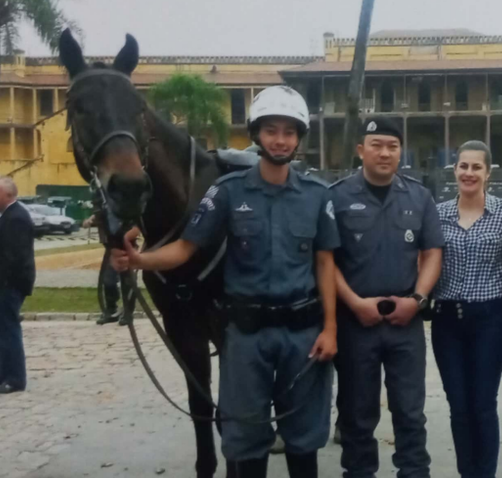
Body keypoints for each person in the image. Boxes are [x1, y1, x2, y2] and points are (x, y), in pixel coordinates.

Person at [111, 86, 339, 477]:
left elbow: (325, 263)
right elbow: (184, 248)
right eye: (271, 130)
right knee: (246, 443)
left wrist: (331, 329)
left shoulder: (317, 197)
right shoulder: (226, 193)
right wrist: (139, 260)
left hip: (302, 337)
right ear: (256, 135)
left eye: (289, 131)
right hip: (245, 339)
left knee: (303, 442)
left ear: (299, 138)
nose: (280, 140)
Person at [330, 117, 444, 478]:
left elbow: (433, 253)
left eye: (392, 146)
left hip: (404, 324)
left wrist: (418, 298)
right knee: (357, 413)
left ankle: (413, 473)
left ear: (400, 152)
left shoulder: (419, 196)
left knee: (410, 411)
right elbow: (325, 261)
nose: (384, 153)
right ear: (360, 150)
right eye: (376, 145)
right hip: (355, 324)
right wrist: (352, 302)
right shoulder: (336, 196)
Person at [432, 141, 502, 478]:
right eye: (463, 166)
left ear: (488, 173)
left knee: (482, 405)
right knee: (459, 408)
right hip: (447, 319)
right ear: (455, 171)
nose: (469, 173)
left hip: (489, 320)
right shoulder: (438, 214)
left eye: (476, 167)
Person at [0, 177, 35, 394]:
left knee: (8, 330)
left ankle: (15, 378)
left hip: (7, 284)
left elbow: (13, 257)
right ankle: (1, 374)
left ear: (7, 195)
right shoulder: (2, 215)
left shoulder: (16, 218)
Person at [83, 214, 122, 325]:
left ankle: (128, 312)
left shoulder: (118, 208)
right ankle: (111, 309)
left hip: (124, 247)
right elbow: (90, 220)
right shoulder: (104, 209)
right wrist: (89, 220)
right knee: (108, 280)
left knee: (127, 281)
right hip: (110, 249)